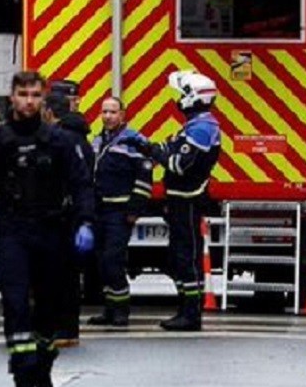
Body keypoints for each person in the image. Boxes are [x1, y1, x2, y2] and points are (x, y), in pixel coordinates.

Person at [0, 71, 94, 387]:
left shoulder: (59, 141)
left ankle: (43, 372)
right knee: (16, 305)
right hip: (13, 232)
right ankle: (23, 383)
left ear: (43, 98)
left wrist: (84, 222)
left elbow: (81, 185)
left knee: (49, 310)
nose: (29, 101)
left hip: (52, 231)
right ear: (12, 96)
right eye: (23, 94)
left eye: (35, 95)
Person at [126, 71, 221, 332]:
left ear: (193, 98)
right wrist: (157, 149)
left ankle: (190, 314)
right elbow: (171, 149)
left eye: (181, 95)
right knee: (177, 257)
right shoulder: (196, 126)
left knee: (186, 257)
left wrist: (150, 149)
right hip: (180, 201)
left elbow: (178, 164)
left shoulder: (202, 129)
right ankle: (186, 309)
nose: (178, 100)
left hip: (188, 202)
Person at [86, 97, 152, 328]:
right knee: (101, 262)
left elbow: (144, 178)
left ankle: (121, 311)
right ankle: (109, 308)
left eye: (112, 112)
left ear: (123, 115)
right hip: (100, 210)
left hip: (120, 211)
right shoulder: (98, 141)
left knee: (113, 260)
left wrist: (135, 209)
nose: (107, 116)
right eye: (104, 112)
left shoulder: (133, 142)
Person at [43, 91, 95, 345]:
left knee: (58, 275)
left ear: (49, 113)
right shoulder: (80, 140)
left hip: (61, 216)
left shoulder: (61, 141)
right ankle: (66, 329)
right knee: (68, 275)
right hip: (72, 215)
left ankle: (60, 328)